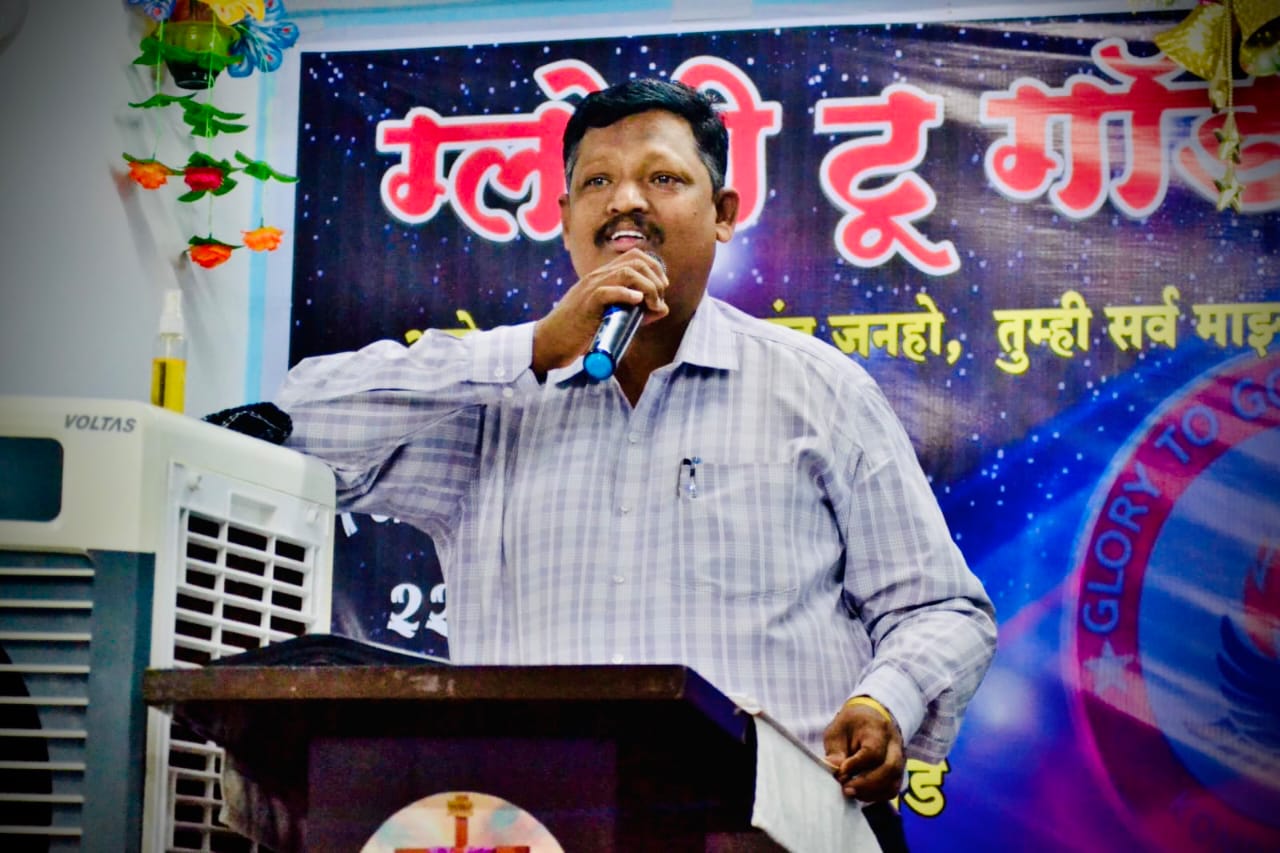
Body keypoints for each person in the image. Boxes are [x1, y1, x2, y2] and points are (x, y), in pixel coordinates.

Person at [275, 78, 996, 850]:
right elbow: (288, 426)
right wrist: (533, 348)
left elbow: (941, 609)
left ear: (723, 213)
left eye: (662, 177)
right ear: (564, 220)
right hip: (541, 829)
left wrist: (886, 701)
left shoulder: (819, 391)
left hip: (774, 834)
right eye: (597, 182)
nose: (625, 201)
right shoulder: (493, 402)